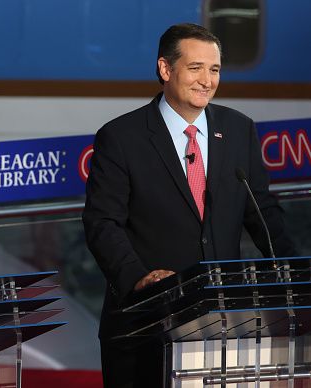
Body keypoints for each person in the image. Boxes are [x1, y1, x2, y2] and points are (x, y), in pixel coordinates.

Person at [82, 23, 296, 387]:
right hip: (145, 324)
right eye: (195, 68)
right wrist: (138, 278)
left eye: (214, 70)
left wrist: (294, 270)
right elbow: (102, 223)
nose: (207, 81)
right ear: (165, 69)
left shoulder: (239, 129)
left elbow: (262, 211)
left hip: (224, 323)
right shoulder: (121, 137)